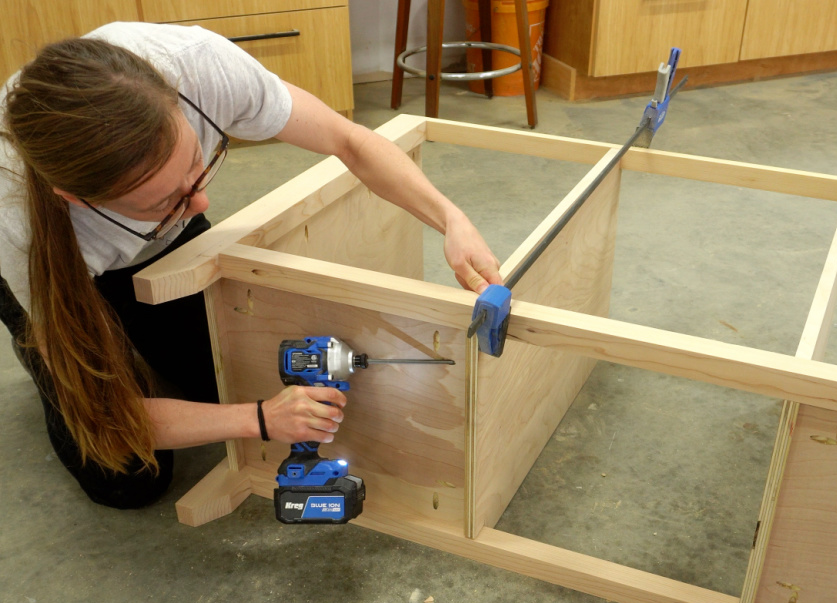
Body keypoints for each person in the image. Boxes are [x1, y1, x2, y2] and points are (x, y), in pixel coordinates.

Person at [0, 22, 502, 509]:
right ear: (79, 200)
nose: (201, 207)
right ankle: (40, 350)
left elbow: (350, 141)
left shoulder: (198, 66)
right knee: (129, 479)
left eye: (197, 166)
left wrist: (451, 220)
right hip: (59, 275)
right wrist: (260, 420)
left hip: (145, 241)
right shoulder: (21, 227)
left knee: (222, 379)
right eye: (163, 201)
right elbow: (110, 418)